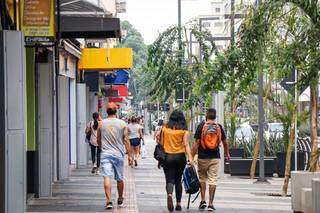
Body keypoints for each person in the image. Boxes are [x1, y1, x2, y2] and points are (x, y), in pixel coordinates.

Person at [192, 108, 230, 211]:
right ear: (215, 116)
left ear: (206, 116)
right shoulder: (219, 127)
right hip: (215, 157)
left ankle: (203, 200)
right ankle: (211, 204)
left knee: (202, 178)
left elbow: (196, 144)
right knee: (213, 180)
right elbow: (225, 142)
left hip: (202, 157)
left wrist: (191, 157)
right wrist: (227, 153)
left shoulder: (201, 126)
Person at [97, 102, 132, 210]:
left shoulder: (101, 123)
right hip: (118, 154)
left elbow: (98, 140)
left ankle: (108, 201)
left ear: (106, 111)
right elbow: (126, 140)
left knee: (107, 177)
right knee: (120, 178)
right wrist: (130, 155)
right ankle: (120, 198)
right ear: (116, 111)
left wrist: (103, 147)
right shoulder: (122, 124)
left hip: (105, 154)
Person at [156, 110, 193, 212]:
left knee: (169, 179)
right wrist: (190, 157)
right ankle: (178, 204)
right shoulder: (184, 131)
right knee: (178, 180)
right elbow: (186, 145)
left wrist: (159, 160)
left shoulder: (164, 130)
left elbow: (161, 145)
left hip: (167, 157)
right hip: (180, 157)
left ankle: (169, 194)